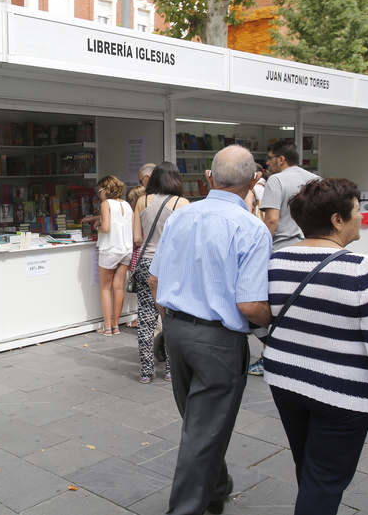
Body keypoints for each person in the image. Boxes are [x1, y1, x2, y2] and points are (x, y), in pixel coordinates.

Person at [149, 145, 272, 515]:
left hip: (177, 331)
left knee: (199, 421)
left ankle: (216, 488)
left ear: (207, 178)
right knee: (203, 429)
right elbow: (250, 306)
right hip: (218, 340)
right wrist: (273, 321)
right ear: (254, 181)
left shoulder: (181, 217)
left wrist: (171, 320)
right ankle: (186, 508)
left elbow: (155, 281)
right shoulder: (251, 228)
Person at [264, 178, 368, 515]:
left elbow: (258, 317)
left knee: (309, 466)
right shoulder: (360, 269)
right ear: (338, 220)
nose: (360, 216)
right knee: (325, 479)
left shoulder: (277, 260)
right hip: (342, 394)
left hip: (286, 381)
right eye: (357, 210)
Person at [250, 141, 319, 375]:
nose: (267, 163)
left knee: (264, 308)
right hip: (312, 252)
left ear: (281, 159)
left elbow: (271, 220)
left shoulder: (276, 181)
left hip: (281, 252)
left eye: (270, 158)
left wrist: (259, 252)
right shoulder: (315, 180)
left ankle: (271, 352)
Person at [132, 162, 189, 383]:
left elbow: (137, 239)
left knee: (146, 318)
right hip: (171, 265)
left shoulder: (141, 201)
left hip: (146, 263)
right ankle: (171, 369)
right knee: (171, 318)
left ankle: (146, 371)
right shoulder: (181, 203)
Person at [86, 176, 132, 336]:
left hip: (110, 249)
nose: (99, 194)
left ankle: (106, 327)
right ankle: (115, 326)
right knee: (119, 287)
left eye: (99, 191)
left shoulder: (106, 204)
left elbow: (106, 228)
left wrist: (97, 225)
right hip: (126, 249)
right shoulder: (126, 204)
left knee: (105, 288)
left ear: (105, 190)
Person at [125, 185, 146, 329]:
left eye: (131, 200)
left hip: (140, 254)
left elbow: (137, 239)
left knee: (142, 292)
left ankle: (140, 319)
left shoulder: (137, 215)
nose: (130, 204)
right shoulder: (150, 212)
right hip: (150, 254)